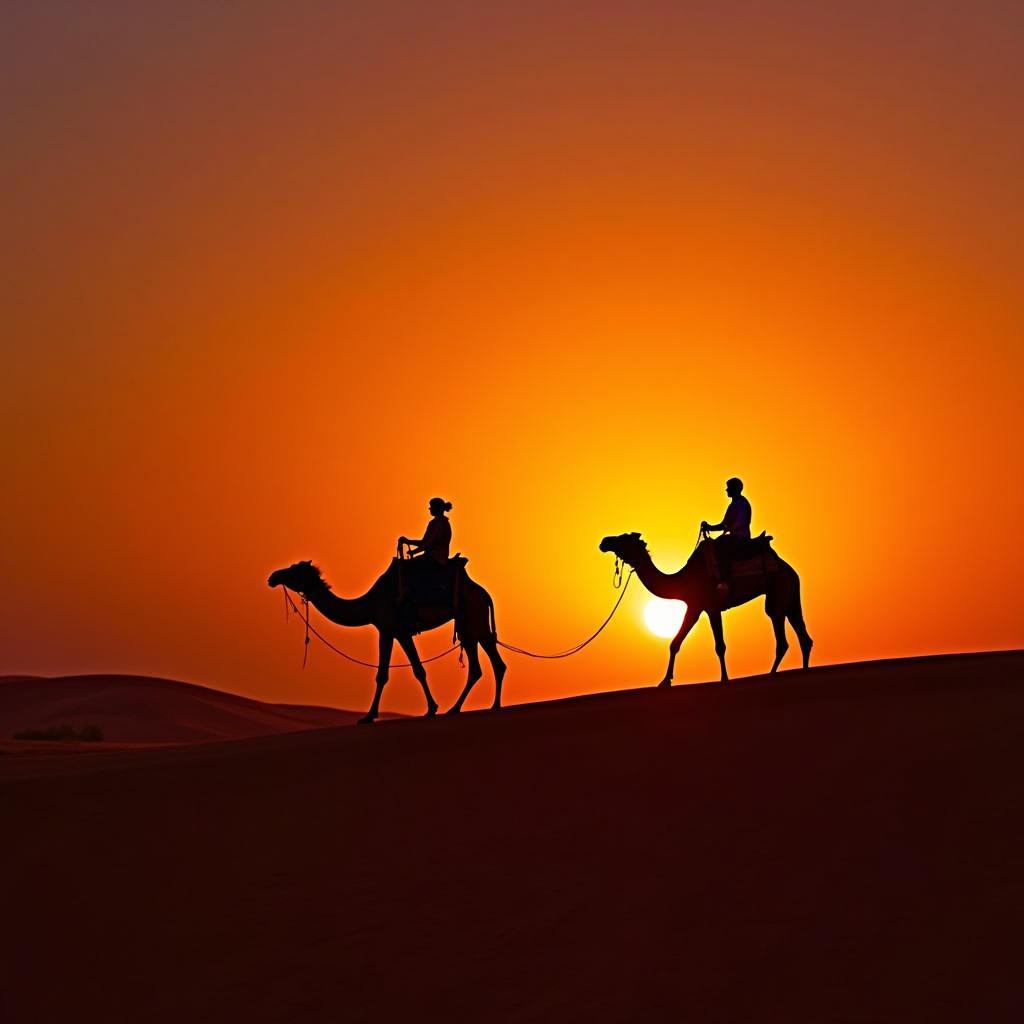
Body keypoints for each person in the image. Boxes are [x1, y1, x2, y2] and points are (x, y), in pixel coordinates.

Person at [398, 498, 454, 607]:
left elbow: (427, 543)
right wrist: (407, 541)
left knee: (413, 569)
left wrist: (414, 552)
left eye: (431, 507)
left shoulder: (439, 524)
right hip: (432, 556)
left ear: (436, 509)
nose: (430, 509)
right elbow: (424, 542)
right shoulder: (436, 523)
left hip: (436, 558)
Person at [701, 478, 751, 591]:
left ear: (735, 489)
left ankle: (724, 580)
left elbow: (740, 523)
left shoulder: (741, 504)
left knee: (720, 548)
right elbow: (724, 525)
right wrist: (709, 527)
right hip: (734, 537)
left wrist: (726, 531)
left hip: (740, 538)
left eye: (729, 487)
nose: (726, 490)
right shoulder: (734, 504)